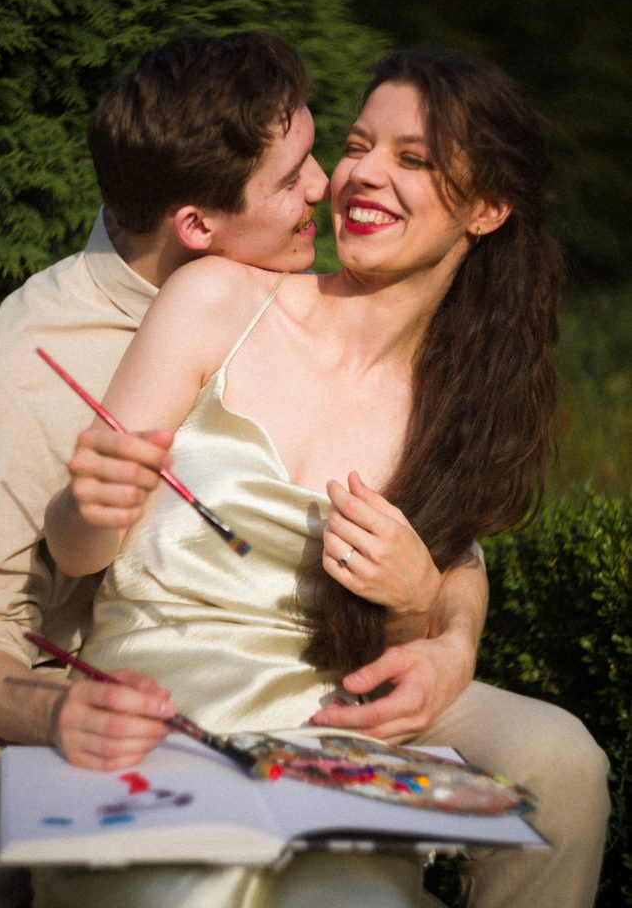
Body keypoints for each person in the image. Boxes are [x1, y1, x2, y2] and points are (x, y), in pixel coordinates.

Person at [40, 50, 610, 908]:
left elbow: (456, 560)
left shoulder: (464, 397)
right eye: (357, 145)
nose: (363, 174)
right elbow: (78, 553)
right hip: (164, 695)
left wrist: (440, 629)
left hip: (329, 713)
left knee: (554, 763)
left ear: (487, 209)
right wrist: (86, 507)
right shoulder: (219, 301)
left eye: (412, 159)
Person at [0, 32, 486, 908]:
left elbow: (445, 531)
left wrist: (451, 638)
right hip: (72, 694)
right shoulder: (19, 365)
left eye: (317, 155)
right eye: (292, 177)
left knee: (559, 767)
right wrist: (52, 711)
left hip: (302, 676)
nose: (327, 187)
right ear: (198, 227)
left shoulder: (311, 289)